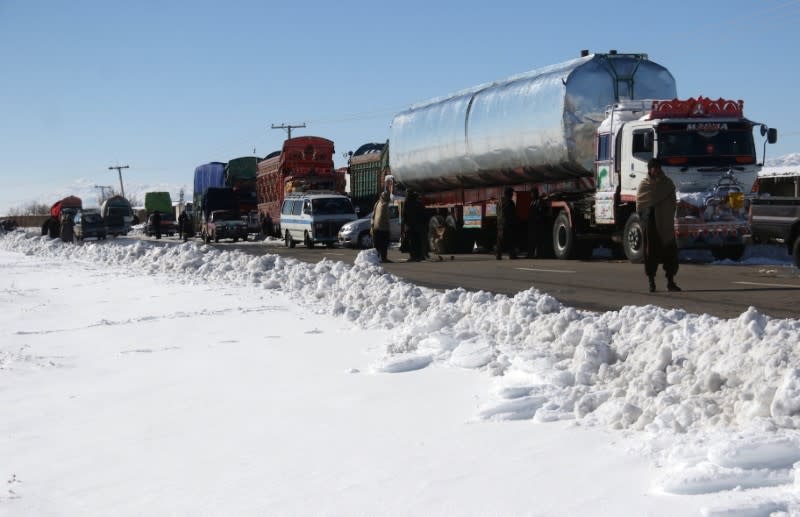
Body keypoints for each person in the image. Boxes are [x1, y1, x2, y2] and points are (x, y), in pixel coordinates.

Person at [637, 158, 681, 293]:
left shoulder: (667, 183)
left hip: (666, 223)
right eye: (653, 168)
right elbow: (640, 204)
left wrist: (667, 213)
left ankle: (670, 282)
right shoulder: (644, 184)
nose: (656, 170)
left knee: (670, 253)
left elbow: (673, 202)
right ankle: (651, 282)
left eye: (658, 168)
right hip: (651, 224)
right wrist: (646, 218)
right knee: (651, 253)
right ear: (649, 169)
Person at [496, 187, 518, 260]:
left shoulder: (499, 201)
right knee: (510, 239)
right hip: (508, 223)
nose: (512, 195)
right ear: (508, 194)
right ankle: (512, 255)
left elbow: (497, 213)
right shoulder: (510, 202)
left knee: (500, 240)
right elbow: (513, 214)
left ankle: (498, 255)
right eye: (511, 193)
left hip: (500, 224)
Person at [371, 191, 391, 263]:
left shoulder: (377, 203)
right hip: (383, 228)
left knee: (376, 245)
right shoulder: (385, 205)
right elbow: (387, 217)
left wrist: (372, 225)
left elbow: (373, 215)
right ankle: (384, 258)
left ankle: (375, 258)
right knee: (384, 245)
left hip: (376, 227)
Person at [526, 187, 547, 258]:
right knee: (532, 239)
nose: (531, 195)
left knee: (537, 240)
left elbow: (541, 211)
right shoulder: (532, 201)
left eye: (532, 193)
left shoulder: (539, 201)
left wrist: (537, 218)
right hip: (532, 223)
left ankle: (538, 254)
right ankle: (531, 254)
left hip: (537, 223)